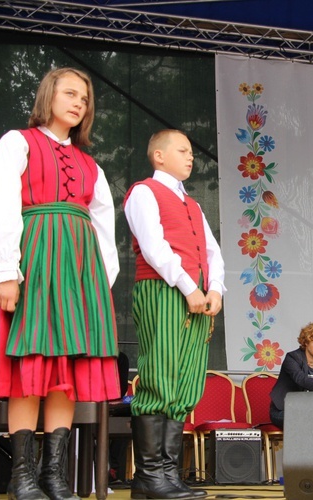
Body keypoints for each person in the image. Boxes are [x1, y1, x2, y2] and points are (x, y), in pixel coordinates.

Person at [0, 67, 121, 500]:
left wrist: (100, 284)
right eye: (70, 93)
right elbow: (2, 205)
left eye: (85, 99)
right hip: (36, 263)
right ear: (49, 96)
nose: (79, 103)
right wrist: (7, 271)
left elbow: (103, 226)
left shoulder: (90, 164)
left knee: (66, 374)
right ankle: (22, 476)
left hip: (79, 276)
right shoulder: (17, 142)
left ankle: (53, 476)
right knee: (32, 365)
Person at [124, 129, 225, 499]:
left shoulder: (194, 205)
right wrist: (189, 287)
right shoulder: (144, 192)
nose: (190, 157)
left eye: (191, 152)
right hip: (164, 290)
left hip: (197, 294)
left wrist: (215, 288)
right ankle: (149, 476)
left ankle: (168, 474)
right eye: (182, 150)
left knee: (186, 381)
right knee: (160, 374)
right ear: (159, 156)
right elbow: (153, 246)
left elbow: (212, 252)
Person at [269, 322, 313, 429]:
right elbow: (300, 379)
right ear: (306, 343)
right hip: (283, 410)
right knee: (307, 420)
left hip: (307, 411)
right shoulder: (291, 357)